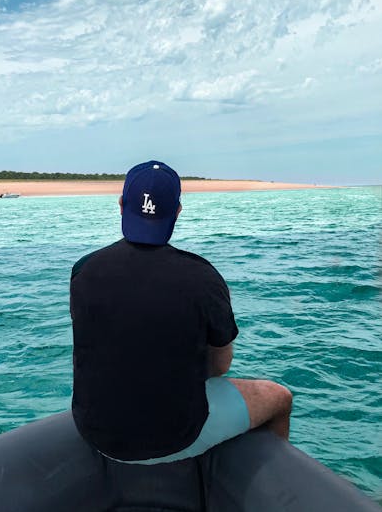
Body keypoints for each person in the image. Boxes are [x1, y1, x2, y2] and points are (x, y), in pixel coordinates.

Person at [70, 160, 292, 464]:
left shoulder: (83, 270)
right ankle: (274, 490)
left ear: (121, 205)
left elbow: (86, 352)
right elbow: (221, 366)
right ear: (177, 211)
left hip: (95, 431)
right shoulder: (203, 278)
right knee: (279, 398)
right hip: (175, 437)